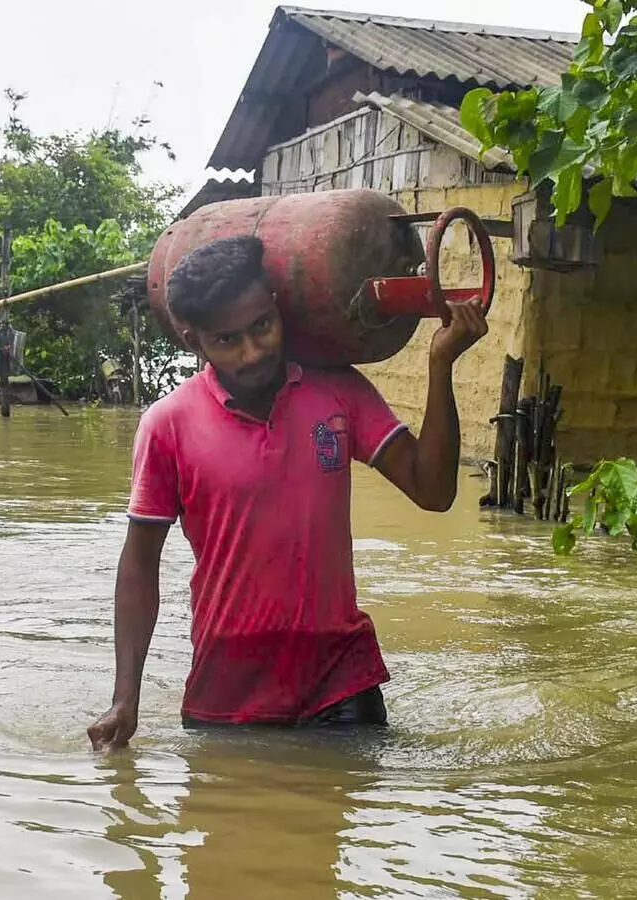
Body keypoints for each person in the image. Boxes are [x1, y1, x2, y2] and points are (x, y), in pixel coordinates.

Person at [87, 235, 487, 750]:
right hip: (226, 690)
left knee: (333, 825)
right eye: (228, 340)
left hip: (342, 680)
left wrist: (441, 366)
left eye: (262, 326)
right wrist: (126, 698)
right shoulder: (168, 425)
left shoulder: (339, 392)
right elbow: (139, 567)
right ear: (195, 342)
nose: (253, 351)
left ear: (278, 309)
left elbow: (433, 491)